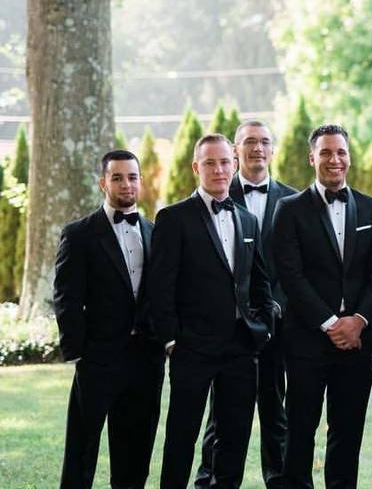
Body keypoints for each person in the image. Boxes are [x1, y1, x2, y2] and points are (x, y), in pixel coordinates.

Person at [148, 134, 277, 489]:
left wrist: (263, 325)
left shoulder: (248, 220)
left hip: (240, 348)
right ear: (196, 167)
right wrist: (172, 340)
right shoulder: (173, 218)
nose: (219, 169)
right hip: (192, 348)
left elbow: (259, 280)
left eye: (224, 162)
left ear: (234, 164)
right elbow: (160, 287)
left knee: (234, 439)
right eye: (210, 163)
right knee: (181, 436)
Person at [273, 124, 372, 489]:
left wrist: (357, 321)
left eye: (340, 152)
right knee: (300, 429)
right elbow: (290, 275)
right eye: (325, 153)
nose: (334, 159)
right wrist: (329, 323)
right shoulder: (289, 209)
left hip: (357, 343)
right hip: (307, 340)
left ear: (349, 157)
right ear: (312, 158)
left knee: (348, 430)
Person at [53, 149, 165, 489]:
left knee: (135, 450)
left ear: (140, 181)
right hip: (98, 359)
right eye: (117, 177)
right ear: (103, 182)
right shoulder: (79, 234)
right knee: (82, 449)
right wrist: (80, 352)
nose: (126, 184)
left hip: (146, 359)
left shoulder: (154, 231)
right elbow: (66, 298)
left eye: (132, 177)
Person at [195, 120, 296, 489]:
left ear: (273, 149)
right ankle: (211, 479)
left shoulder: (292, 198)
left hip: (276, 324)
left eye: (264, 142)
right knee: (219, 415)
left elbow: (295, 263)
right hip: (228, 328)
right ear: (235, 151)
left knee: (276, 408)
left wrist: (275, 306)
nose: (257, 148)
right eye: (249, 142)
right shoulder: (218, 192)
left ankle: (279, 479)